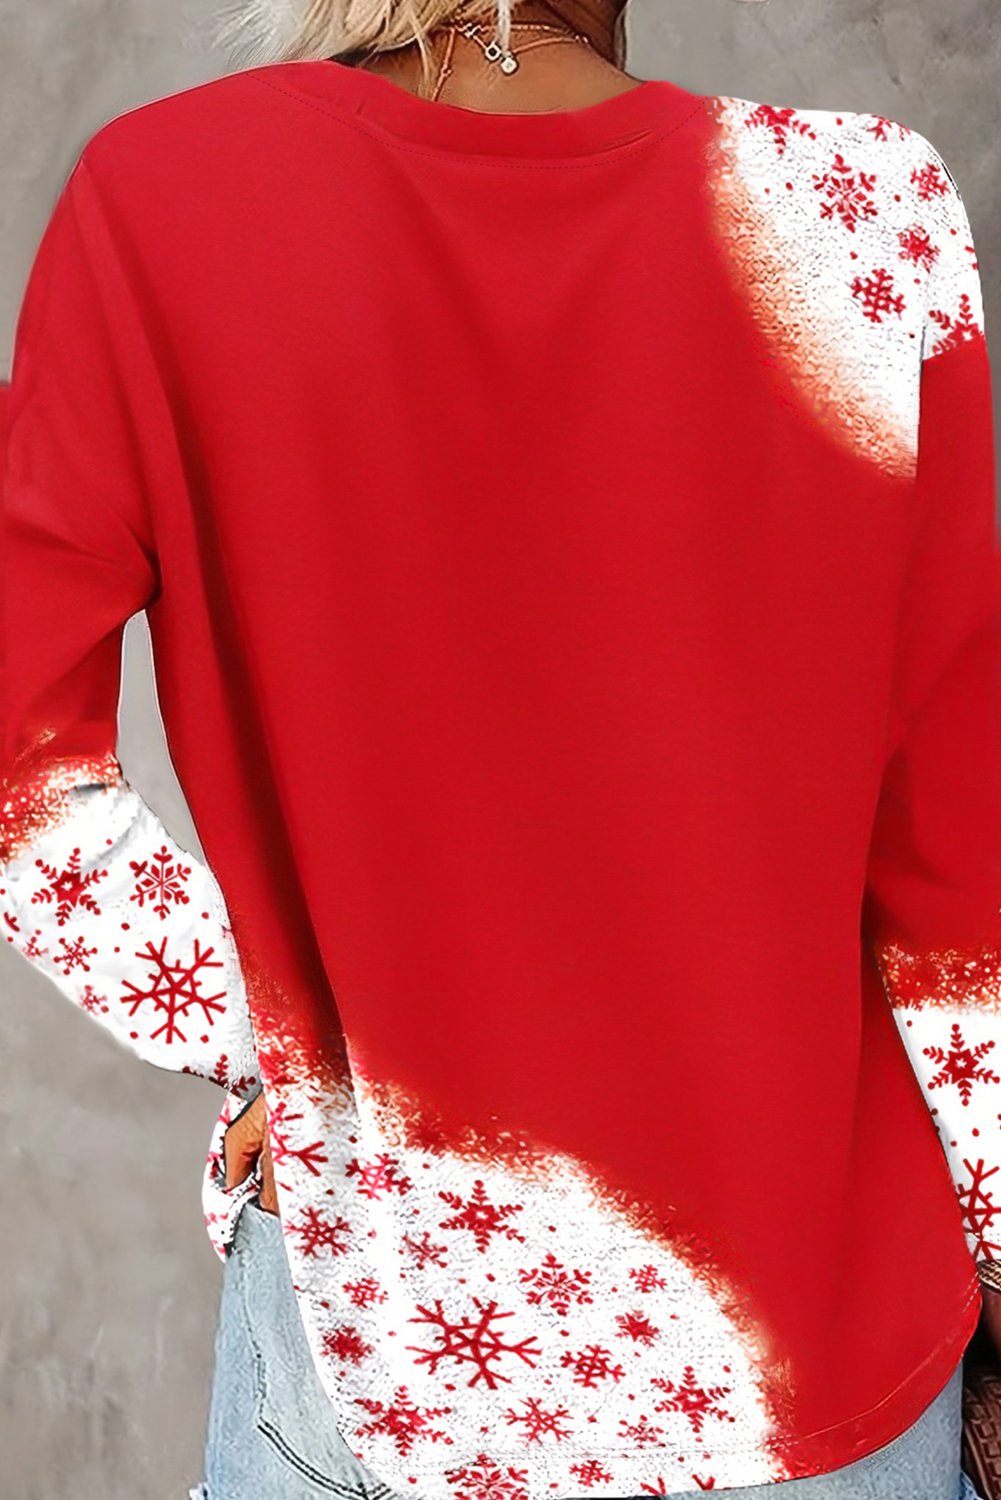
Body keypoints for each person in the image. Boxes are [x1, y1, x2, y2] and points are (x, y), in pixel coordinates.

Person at [2, 0, 998, 1497]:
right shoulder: (863, 207)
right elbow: (958, 862)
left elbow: (18, 775)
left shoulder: (161, 198)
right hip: (815, 1349)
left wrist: (267, 1032)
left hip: (389, 1324)